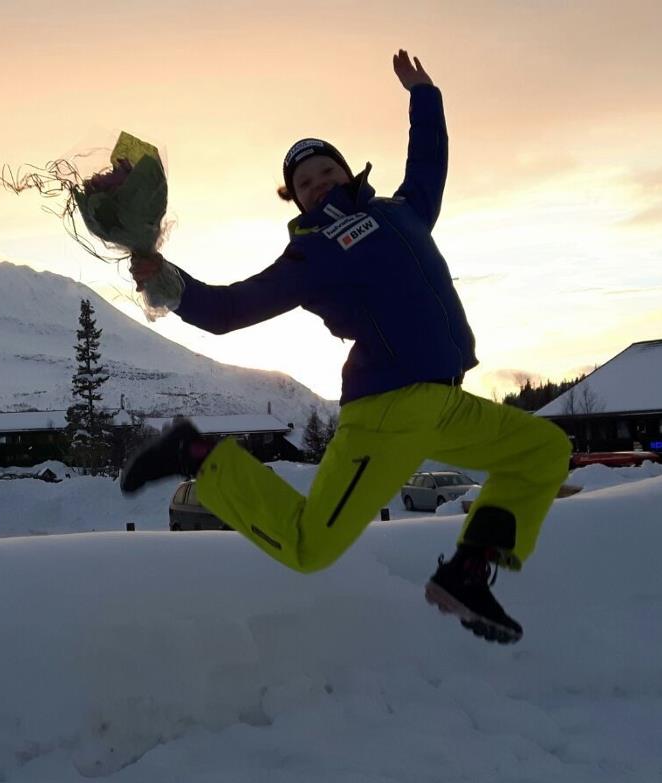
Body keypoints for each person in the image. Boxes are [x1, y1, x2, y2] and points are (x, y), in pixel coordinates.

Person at [120, 50, 571, 644]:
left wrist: (424, 96)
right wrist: (161, 278)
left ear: (345, 169)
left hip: (444, 400)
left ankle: (468, 571)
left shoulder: (404, 213)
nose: (318, 183)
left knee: (542, 448)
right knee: (309, 546)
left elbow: (429, 163)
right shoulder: (315, 252)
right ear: (297, 199)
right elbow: (230, 310)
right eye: (304, 183)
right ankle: (198, 457)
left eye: (325, 170)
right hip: (385, 409)